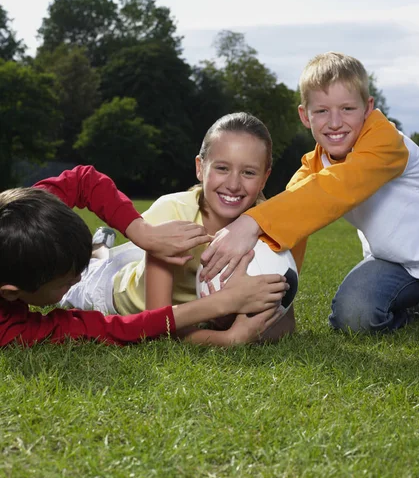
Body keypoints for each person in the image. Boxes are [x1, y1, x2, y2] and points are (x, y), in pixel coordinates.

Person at [200, 52, 419, 333]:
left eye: (347, 109)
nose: (334, 122)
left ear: (368, 108)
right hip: (393, 264)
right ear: (305, 116)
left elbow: (337, 186)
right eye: (321, 111)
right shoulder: (314, 165)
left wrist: (251, 221)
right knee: (353, 318)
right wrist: (273, 295)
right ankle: (418, 304)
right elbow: (292, 214)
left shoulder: (385, 141)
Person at [59, 113, 296, 345]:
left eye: (248, 173)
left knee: (125, 256)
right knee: (82, 271)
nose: (233, 185)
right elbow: (156, 326)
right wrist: (228, 336)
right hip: (114, 292)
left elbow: (285, 326)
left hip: (149, 270)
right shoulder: (173, 212)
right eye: (222, 168)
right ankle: (98, 251)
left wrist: (248, 320)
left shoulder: (267, 222)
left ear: (265, 178)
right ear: (200, 168)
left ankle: (103, 247)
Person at [0, 166, 286, 346]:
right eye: (64, 281)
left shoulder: (21, 211)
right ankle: (100, 253)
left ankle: (99, 251)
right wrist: (224, 306)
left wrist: (144, 234)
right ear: (11, 293)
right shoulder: (8, 328)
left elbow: (84, 181)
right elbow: (108, 328)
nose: (72, 280)